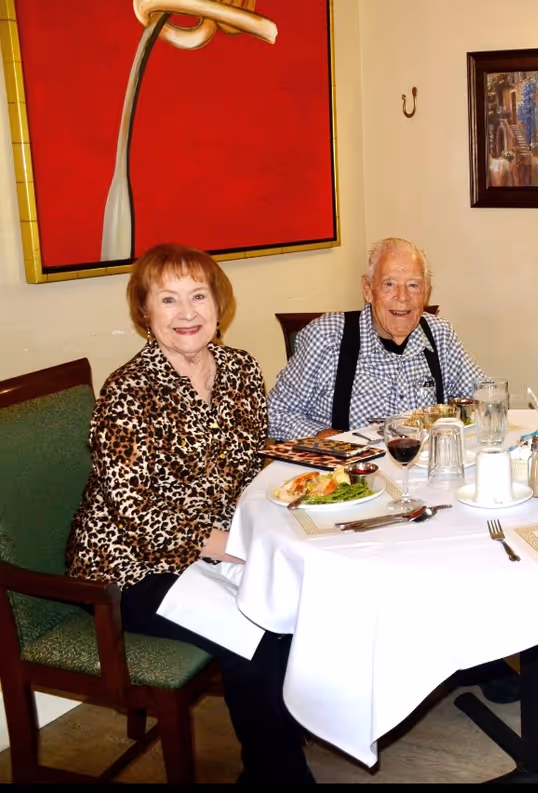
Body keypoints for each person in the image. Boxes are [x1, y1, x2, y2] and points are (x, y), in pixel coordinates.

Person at [65, 243, 312, 784]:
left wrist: (282, 514)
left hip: (215, 548)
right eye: (169, 299)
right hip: (126, 572)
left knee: (298, 601)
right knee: (257, 632)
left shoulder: (242, 370)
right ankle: (280, 775)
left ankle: (275, 758)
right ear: (145, 314)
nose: (187, 313)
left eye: (198, 295)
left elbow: (248, 466)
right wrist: (226, 546)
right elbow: (133, 509)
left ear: (218, 303)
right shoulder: (129, 392)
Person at [268, 237, 487, 440]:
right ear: (368, 289)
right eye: (389, 284)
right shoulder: (327, 337)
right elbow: (275, 413)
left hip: (425, 472)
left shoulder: (440, 335)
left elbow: (484, 400)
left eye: (413, 285)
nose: (402, 297)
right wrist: (329, 440)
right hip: (349, 475)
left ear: (426, 292)